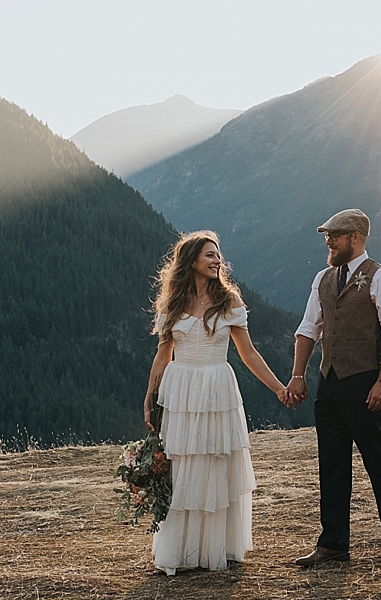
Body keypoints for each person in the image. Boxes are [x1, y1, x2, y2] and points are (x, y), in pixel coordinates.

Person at [143, 230, 288, 575]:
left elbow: (248, 354)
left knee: (215, 463)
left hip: (217, 388)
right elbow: (163, 357)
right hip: (180, 390)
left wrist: (279, 388)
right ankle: (183, 550)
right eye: (209, 254)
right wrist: (150, 398)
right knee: (182, 465)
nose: (217, 260)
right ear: (191, 261)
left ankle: (214, 548)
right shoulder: (173, 304)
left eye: (218, 255)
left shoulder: (230, 302)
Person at [287, 208, 381, 566]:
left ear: (355, 237)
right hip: (329, 383)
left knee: (377, 458)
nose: (328, 241)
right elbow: (309, 329)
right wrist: (299, 375)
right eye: (327, 235)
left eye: (335, 236)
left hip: (365, 382)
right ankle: (333, 543)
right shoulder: (323, 278)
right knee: (332, 463)